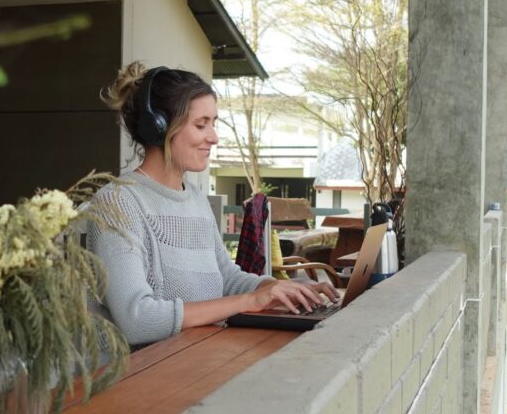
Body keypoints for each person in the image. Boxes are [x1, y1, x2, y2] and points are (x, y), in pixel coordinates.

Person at [87, 62, 339, 347]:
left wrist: (278, 288)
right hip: (136, 376)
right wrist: (249, 300)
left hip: (192, 358)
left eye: (214, 123)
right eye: (201, 124)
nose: (214, 137)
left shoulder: (194, 198)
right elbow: (137, 319)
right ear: (158, 127)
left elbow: (226, 277)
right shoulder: (119, 202)